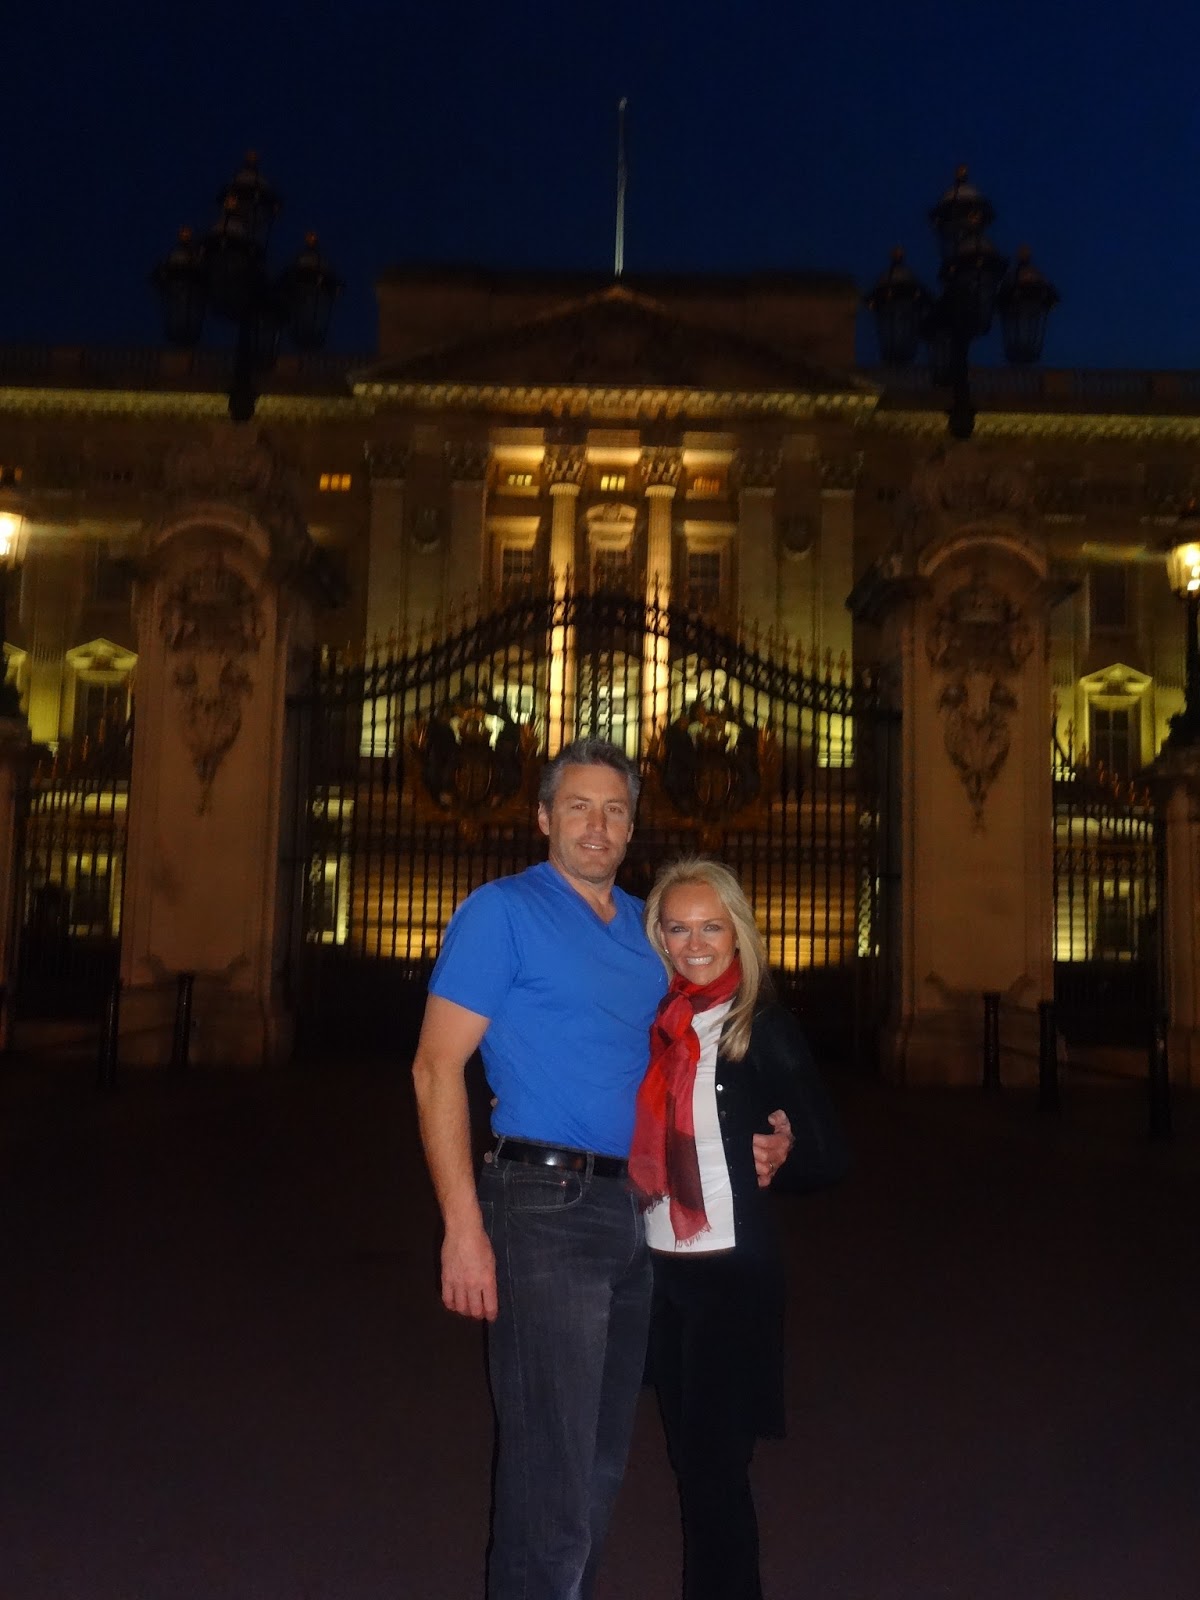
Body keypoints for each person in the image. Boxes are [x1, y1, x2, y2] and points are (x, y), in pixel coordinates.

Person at [412, 740, 789, 1600]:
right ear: (544, 818)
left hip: (637, 1214)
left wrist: (774, 1130)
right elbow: (436, 1069)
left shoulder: (644, 935)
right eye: (578, 806)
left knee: (598, 1461)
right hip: (542, 1202)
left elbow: (706, 1048)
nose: (598, 824)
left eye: (615, 810)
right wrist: (462, 1229)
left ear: (631, 827)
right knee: (549, 1469)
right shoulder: (500, 913)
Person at [629, 856, 849, 1600]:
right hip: (660, 1276)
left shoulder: (762, 1027)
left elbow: (829, 1156)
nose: (694, 943)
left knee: (716, 1472)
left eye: (710, 927)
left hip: (730, 1279)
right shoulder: (654, 1023)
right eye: (678, 927)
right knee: (689, 1464)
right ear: (657, 934)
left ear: (738, 934)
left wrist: (784, 1150)